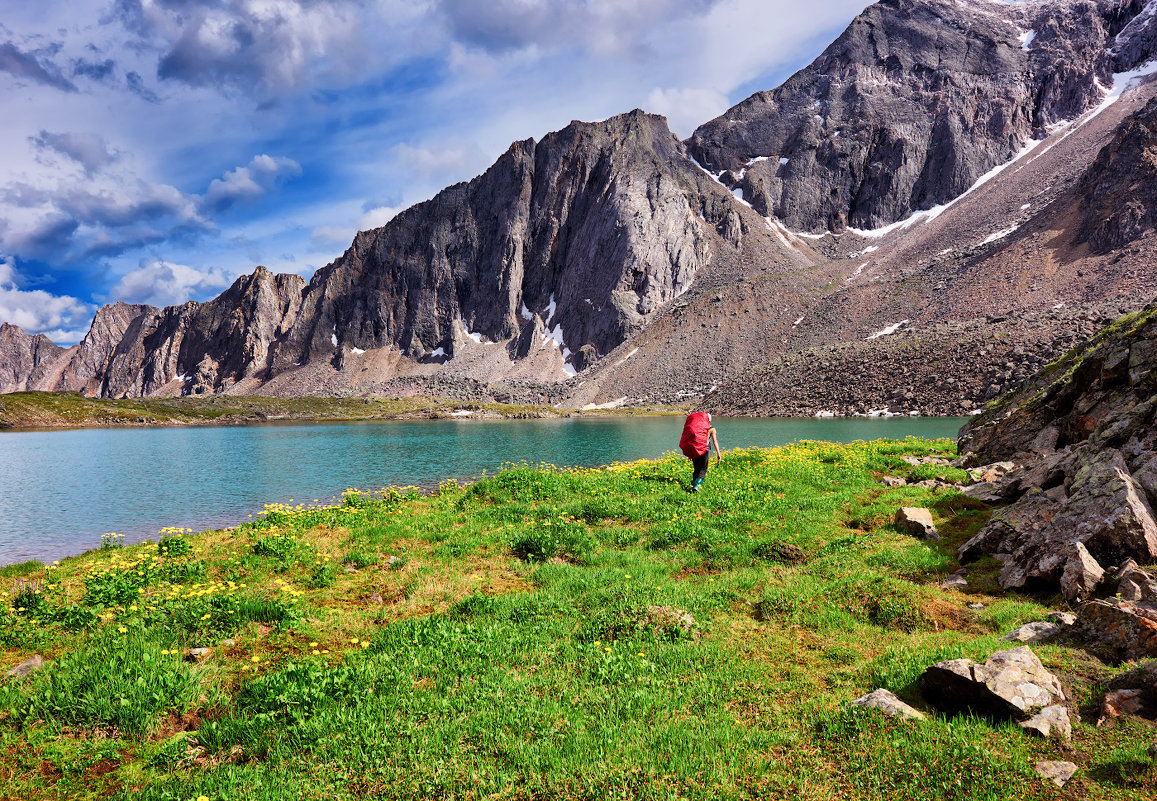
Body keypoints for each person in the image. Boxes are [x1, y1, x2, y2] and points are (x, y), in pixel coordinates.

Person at [679, 411, 721, 492]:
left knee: (696, 468)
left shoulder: (697, 428)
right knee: (703, 469)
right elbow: (715, 441)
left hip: (695, 449)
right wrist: (718, 454)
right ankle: (697, 485)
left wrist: (689, 454)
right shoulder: (712, 428)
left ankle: (694, 483)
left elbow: (692, 440)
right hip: (705, 450)